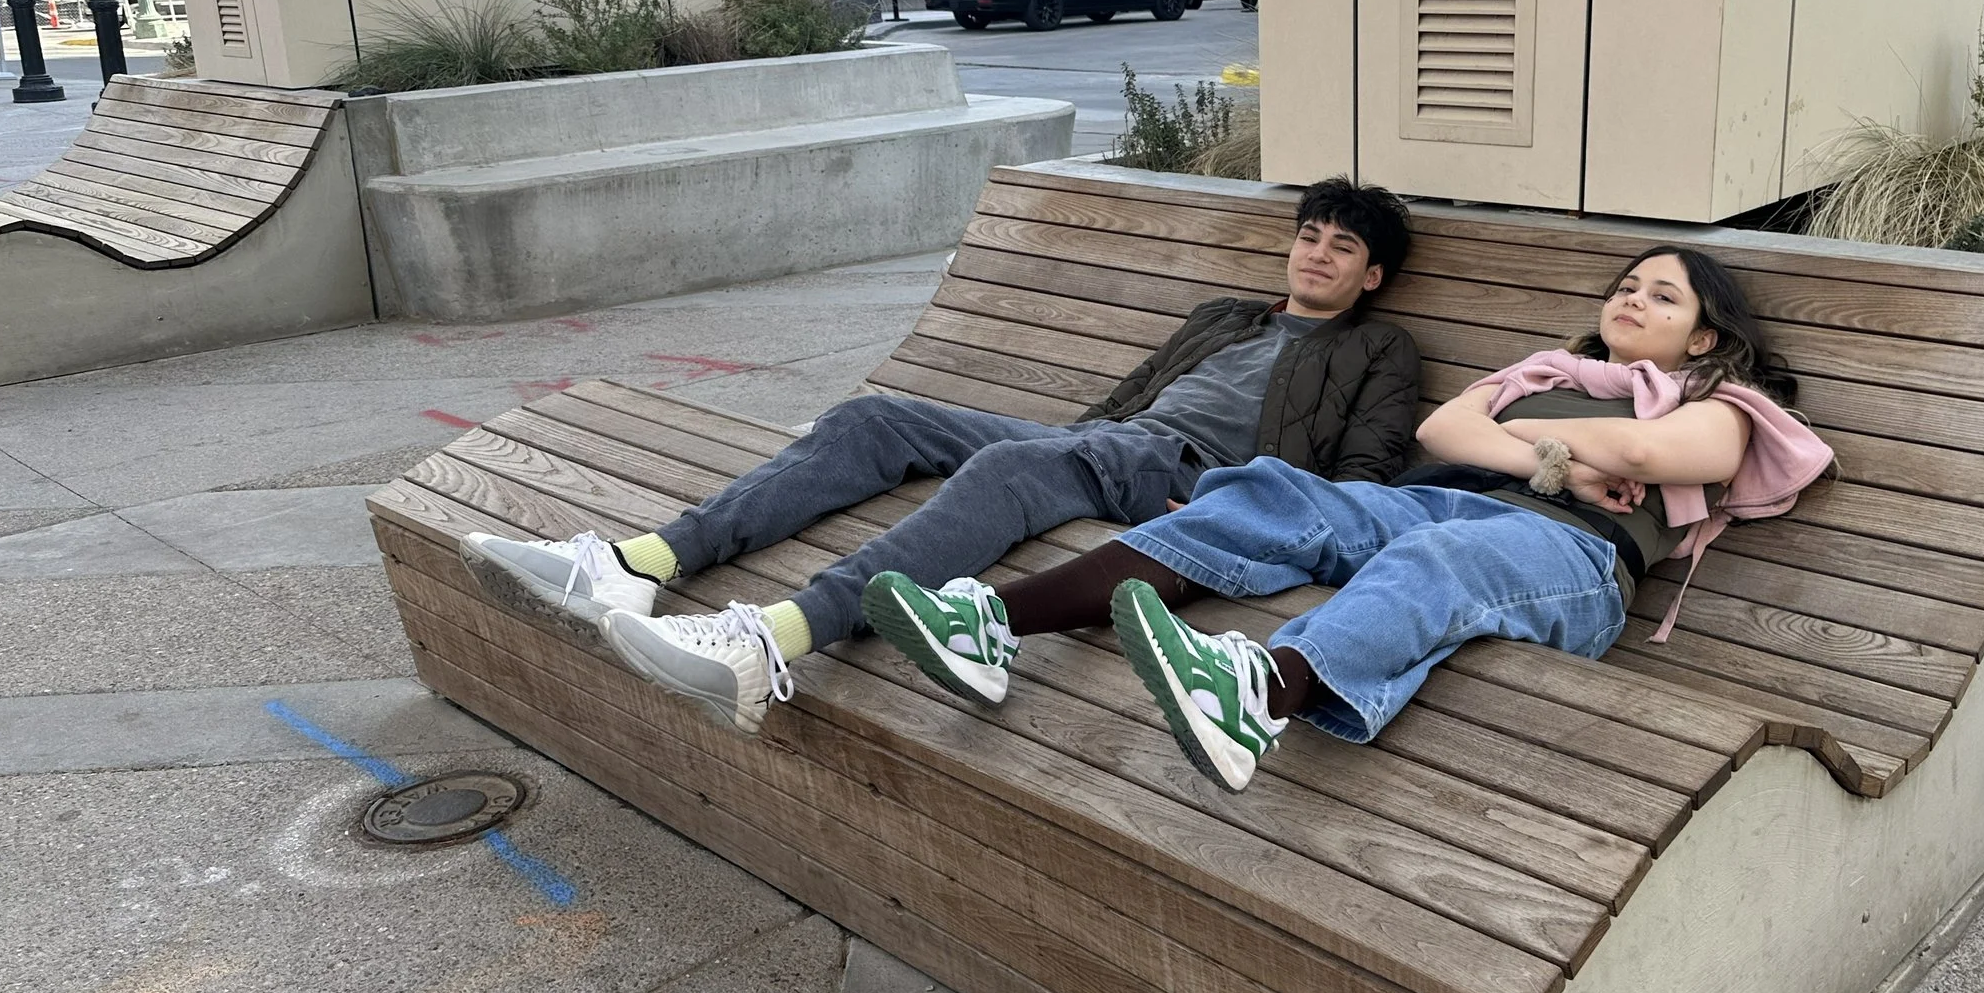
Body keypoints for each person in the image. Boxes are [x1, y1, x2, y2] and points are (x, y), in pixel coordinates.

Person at [457, 178, 1421, 734]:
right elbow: (1123, 401)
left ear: (1370, 276)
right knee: (875, 420)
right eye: (1309, 236)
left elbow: (1362, 481)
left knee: (1007, 475)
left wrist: (1228, 518)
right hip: (1111, 445)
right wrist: (1075, 440)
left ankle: (771, 642)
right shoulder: (1226, 315)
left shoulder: (1379, 349)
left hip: (1192, 481)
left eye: (1342, 248)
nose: (1317, 255)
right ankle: (637, 565)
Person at [866, 246, 1834, 791]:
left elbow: (1648, 457)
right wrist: (1553, 461)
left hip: (1570, 562)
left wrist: (1556, 470)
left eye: (1661, 296)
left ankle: (1254, 698)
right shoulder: (1551, 372)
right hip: (1441, 499)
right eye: (1626, 285)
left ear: (1702, 334)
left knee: (1444, 559)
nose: (1632, 299)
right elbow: (1446, 424)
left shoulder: (1727, 409)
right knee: (1268, 493)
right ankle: (988, 625)